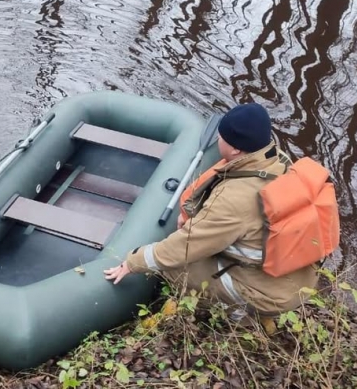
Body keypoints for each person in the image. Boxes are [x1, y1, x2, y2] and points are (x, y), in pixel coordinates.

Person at [104, 103, 319, 321]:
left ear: (235, 149)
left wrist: (134, 261)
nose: (218, 140)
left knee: (175, 269)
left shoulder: (236, 199)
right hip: (296, 276)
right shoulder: (276, 159)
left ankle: (240, 316)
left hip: (268, 291)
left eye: (222, 137)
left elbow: (187, 246)